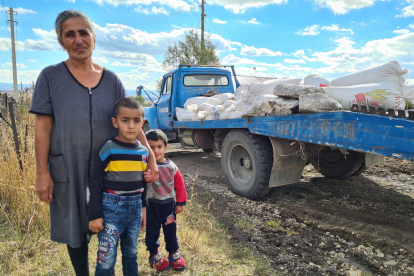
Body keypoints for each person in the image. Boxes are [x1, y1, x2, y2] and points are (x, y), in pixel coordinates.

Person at [29, 10, 158, 276]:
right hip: (69, 168)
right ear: (61, 41)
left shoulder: (112, 81)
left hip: (112, 172)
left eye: (83, 32)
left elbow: (131, 122)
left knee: (109, 227)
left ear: (94, 38)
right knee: (75, 226)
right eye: (70, 34)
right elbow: (42, 127)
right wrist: (42, 172)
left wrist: (152, 157)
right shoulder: (50, 77)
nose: (78, 40)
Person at [88, 98, 148, 276]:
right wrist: (95, 215)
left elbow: (143, 182)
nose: (131, 126)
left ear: (142, 123)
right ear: (115, 122)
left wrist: (143, 208)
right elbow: (94, 182)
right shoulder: (109, 149)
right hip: (111, 211)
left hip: (135, 210)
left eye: (136, 121)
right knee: (106, 259)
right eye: (125, 120)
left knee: (131, 253)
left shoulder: (143, 151)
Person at [144, 129, 187, 271]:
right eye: (151, 147)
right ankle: (154, 255)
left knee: (170, 231)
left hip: (168, 205)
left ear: (166, 147)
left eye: (159, 147)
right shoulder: (144, 167)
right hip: (151, 206)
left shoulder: (171, 166)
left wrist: (180, 203)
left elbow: (180, 185)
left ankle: (173, 253)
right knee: (152, 231)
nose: (155, 151)